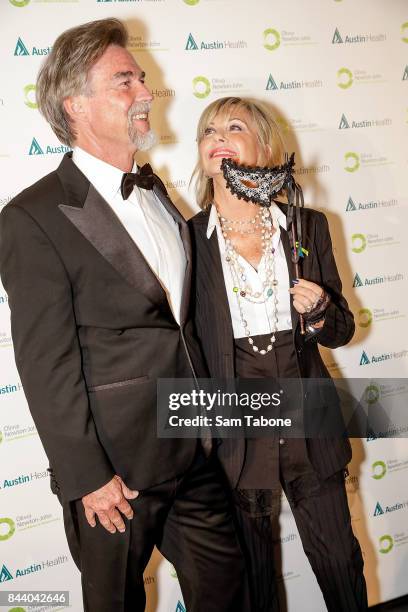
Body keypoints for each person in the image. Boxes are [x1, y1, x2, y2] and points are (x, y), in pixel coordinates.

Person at [0, 21, 250, 612]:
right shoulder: (30, 218)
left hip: (195, 447)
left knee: (230, 591)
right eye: (124, 81)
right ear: (76, 105)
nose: (145, 91)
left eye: (141, 77)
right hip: (115, 474)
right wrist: (87, 475)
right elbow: (44, 361)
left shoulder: (157, 189)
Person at [189, 96, 368, 612]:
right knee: (254, 582)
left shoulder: (309, 226)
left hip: (311, 427)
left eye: (234, 126)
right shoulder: (185, 242)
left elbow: (341, 331)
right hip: (235, 439)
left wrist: (317, 312)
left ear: (265, 147)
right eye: (208, 130)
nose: (217, 136)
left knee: (340, 564)